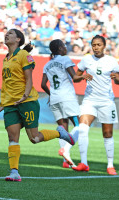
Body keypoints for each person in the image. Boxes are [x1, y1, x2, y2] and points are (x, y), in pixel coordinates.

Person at [0, 29, 75, 182]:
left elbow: (29, 79)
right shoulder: (6, 58)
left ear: (18, 39)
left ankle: (60, 132)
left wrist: (25, 95)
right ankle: (14, 172)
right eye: (6, 33)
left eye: (10, 33)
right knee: (12, 137)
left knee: (34, 138)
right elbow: (6, 83)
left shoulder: (23, 56)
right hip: (11, 104)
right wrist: (3, 104)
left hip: (27, 101)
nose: (7, 35)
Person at [71, 35, 119, 175]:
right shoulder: (86, 59)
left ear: (104, 46)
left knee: (107, 133)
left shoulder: (111, 61)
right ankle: (83, 163)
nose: (96, 47)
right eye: (93, 45)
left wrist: (115, 77)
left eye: (99, 45)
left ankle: (110, 165)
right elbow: (75, 78)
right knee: (82, 129)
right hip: (90, 101)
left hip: (106, 101)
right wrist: (82, 77)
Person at [41, 39, 82, 168]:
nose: (66, 48)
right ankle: (66, 151)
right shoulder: (65, 60)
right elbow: (75, 78)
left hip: (54, 99)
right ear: (59, 48)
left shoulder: (47, 65)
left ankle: (65, 162)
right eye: (64, 46)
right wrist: (85, 76)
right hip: (67, 97)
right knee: (79, 126)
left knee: (62, 129)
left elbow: (42, 85)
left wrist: (51, 94)